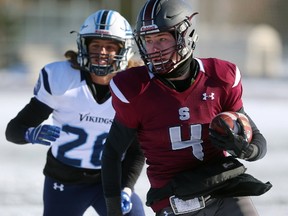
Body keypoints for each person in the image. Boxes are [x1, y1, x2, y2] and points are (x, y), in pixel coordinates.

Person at [101, 0, 272, 215]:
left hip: (223, 187)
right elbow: (113, 152)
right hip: (174, 200)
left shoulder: (219, 77)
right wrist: (113, 210)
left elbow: (256, 138)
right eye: (148, 40)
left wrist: (247, 149)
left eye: (162, 39)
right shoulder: (136, 88)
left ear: (185, 35)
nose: (154, 48)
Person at [5, 10, 146, 216]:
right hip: (64, 178)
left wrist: (126, 187)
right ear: (83, 46)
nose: (102, 53)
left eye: (110, 46)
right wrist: (30, 134)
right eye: (95, 45)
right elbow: (14, 130)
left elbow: (137, 150)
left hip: (110, 179)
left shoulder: (135, 88)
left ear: (124, 49)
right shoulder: (60, 79)